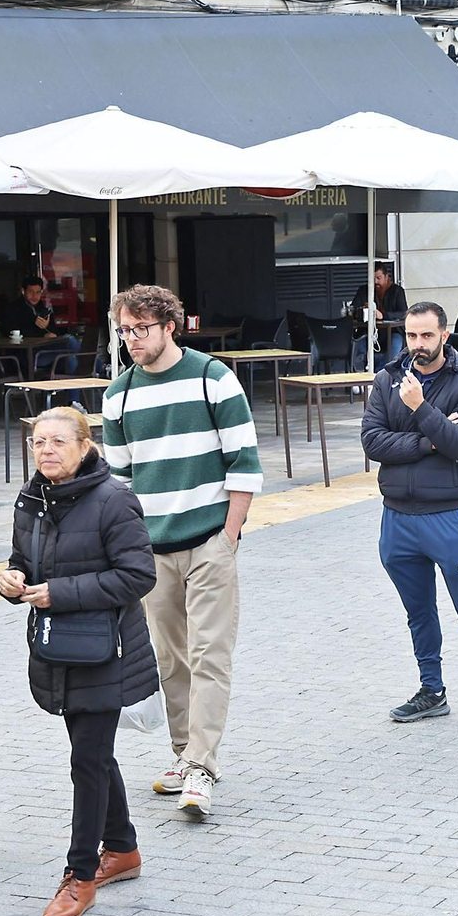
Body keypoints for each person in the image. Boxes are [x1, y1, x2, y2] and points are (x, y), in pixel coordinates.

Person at [103, 284, 262, 819]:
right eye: (124, 330)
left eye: (141, 329)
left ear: (170, 326)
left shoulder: (212, 377)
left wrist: (229, 535)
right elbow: (119, 485)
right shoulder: (118, 395)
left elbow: (244, 463)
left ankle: (201, 767)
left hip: (210, 539)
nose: (131, 339)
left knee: (209, 654)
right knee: (170, 659)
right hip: (152, 550)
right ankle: (183, 754)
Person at [0, 406, 159, 916]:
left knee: (86, 761)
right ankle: (123, 848)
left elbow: (138, 575)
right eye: (38, 442)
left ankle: (81, 875)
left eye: (58, 441)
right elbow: (24, 560)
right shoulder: (33, 497)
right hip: (58, 648)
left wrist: (59, 593)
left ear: (85, 446)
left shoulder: (113, 499)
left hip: (104, 650)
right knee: (93, 755)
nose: (45, 450)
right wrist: (12, 581)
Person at [361, 302, 458, 728]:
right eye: (411, 335)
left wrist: (420, 408)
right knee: (419, 611)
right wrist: (430, 440)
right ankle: (432, 690)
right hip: (398, 518)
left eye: (427, 335)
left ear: (444, 335)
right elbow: (373, 442)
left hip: (448, 515)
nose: (418, 344)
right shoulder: (387, 378)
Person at [3, 274, 82, 376]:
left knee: (70, 357)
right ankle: (99, 369)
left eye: (38, 292)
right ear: (23, 291)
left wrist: (47, 327)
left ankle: (80, 381)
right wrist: (41, 333)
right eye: (31, 292)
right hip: (26, 356)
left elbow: (55, 333)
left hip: (46, 351)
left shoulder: (44, 309)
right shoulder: (12, 309)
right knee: (69, 340)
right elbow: (11, 332)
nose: (34, 296)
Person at [351, 261, 409, 360]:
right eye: (372, 278)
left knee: (395, 345)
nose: (375, 282)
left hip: (393, 332)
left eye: (378, 278)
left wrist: (383, 315)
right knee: (357, 347)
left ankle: (383, 369)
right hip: (368, 331)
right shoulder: (364, 290)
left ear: (386, 277)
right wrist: (362, 311)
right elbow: (353, 309)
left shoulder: (397, 291)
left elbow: (403, 313)